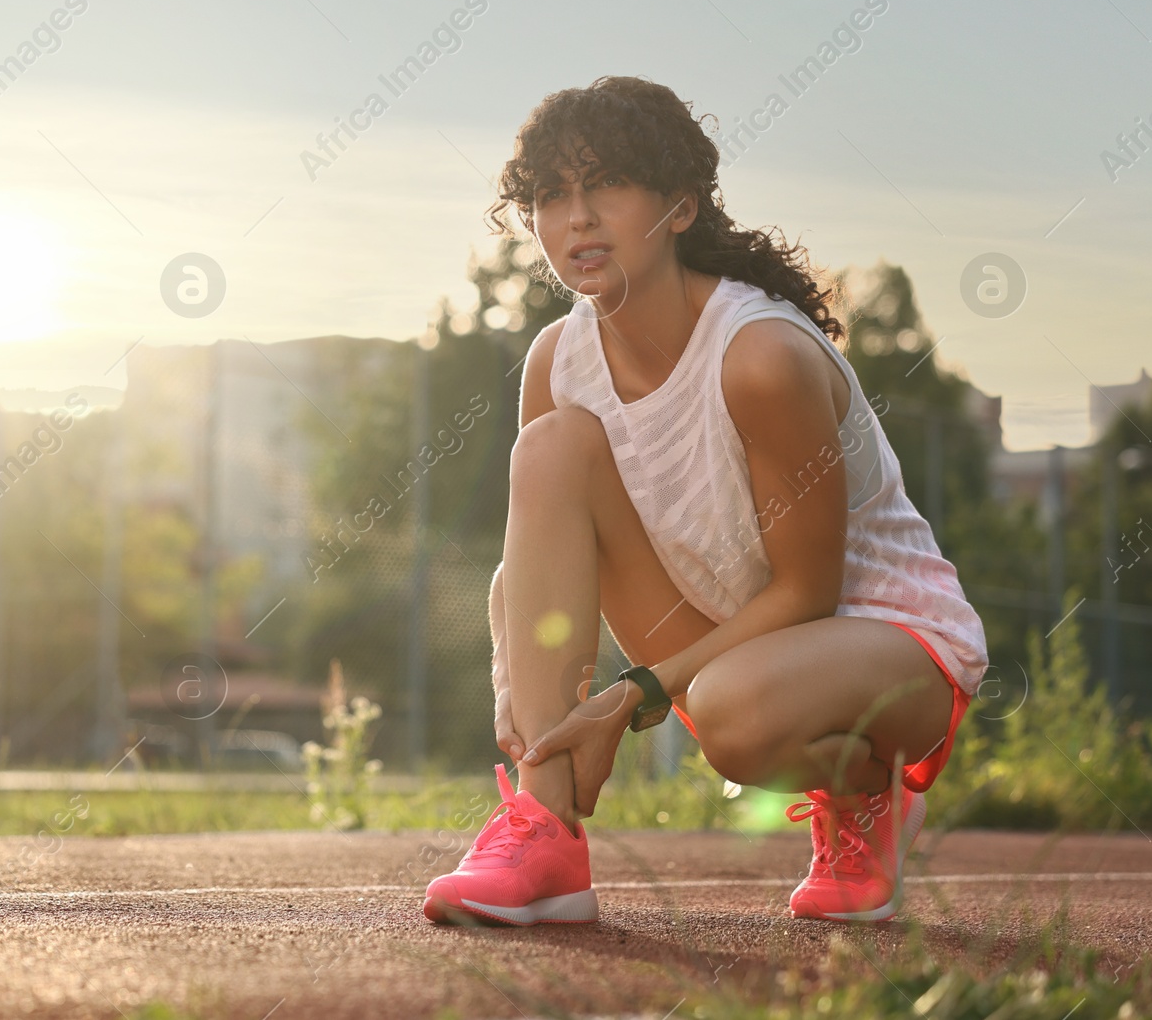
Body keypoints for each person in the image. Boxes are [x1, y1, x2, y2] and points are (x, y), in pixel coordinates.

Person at [423, 76, 988, 927]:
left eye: (606, 182)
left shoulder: (759, 355)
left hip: (893, 650)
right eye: (550, 195)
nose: (577, 217)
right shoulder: (556, 361)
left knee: (729, 709)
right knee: (549, 447)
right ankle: (546, 834)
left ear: (681, 207)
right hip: (725, 642)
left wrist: (629, 696)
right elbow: (527, 573)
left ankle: (865, 787)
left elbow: (807, 593)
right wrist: (518, 687)